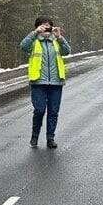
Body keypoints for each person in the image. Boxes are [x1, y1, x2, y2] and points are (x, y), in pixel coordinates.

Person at [20, 15, 71, 148]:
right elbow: (23, 46)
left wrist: (60, 37)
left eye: (48, 25)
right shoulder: (34, 41)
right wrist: (34, 33)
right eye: (42, 25)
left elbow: (67, 51)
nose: (45, 27)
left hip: (56, 82)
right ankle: (35, 136)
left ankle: (50, 138)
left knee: (53, 111)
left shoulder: (56, 41)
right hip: (38, 82)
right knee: (40, 110)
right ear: (37, 27)